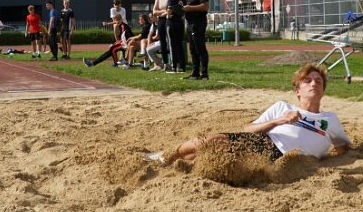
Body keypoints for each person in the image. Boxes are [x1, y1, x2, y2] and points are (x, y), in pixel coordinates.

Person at [145, 63, 351, 165]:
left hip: (293, 164)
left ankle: (184, 159)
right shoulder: (282, 107)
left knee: (217, 160)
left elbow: (343, 148)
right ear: (297, 90)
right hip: (265, 145)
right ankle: (166, 156)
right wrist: (279, 121)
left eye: (319, 81)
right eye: (308, 81)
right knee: (213, 141)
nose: (314, 83)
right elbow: (249, 129)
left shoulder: (330, 120)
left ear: (323, 90)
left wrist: (321, 157)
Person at [176, 0, 210, 80]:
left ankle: (204, 74)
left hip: (198, 23)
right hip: (190, 23)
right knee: (192, 49)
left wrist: (190, 8)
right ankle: (195, 73)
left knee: (200, 48)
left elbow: (205, 6)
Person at [165, 0, 186, 73]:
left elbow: (169, 9)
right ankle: (182, 66)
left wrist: (167, 16)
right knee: (180, 45)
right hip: (180, 24)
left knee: (172, 45)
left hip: (172, 23)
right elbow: (184, 11)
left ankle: (174, 66)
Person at [152, 0, 170, 69]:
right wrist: (163, 12)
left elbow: (170, 11)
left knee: (170, 40)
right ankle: (165, 63)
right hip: (161, 21)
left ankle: (173, 62)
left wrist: (161, 12)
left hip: (169, 20)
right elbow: (154, 12)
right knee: (162, 41)